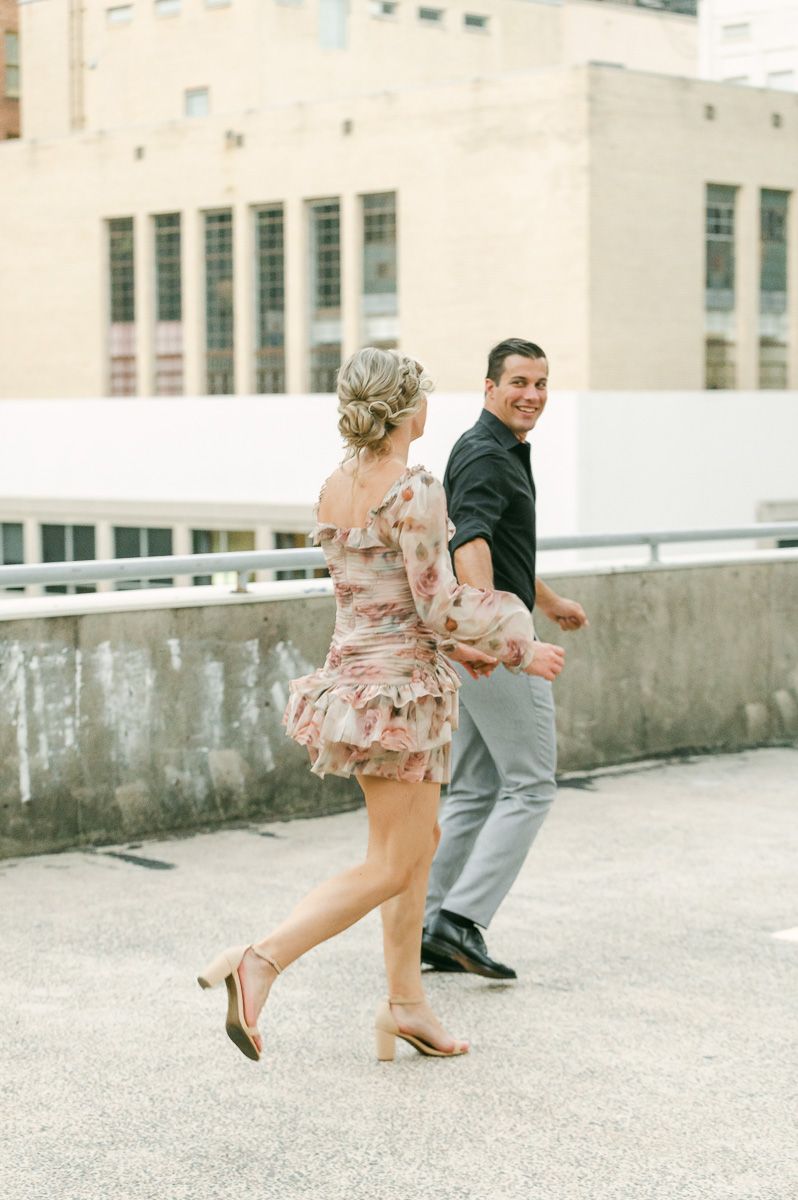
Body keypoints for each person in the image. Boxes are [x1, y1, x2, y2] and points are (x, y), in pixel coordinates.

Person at [197, 347, 565, 1064]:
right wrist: (520, 640)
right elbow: (439, 603)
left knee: (414, 850)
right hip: (401, 693)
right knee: (393, 864)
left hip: (360, 684)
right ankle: (261, 960)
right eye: (424, 395)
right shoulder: (415, 489)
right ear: (408, 410)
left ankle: (407, 1005)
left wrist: (467, 647)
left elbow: (387, 599)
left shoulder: (338, 484)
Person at [422, 338, 589, 980]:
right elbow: (472, 546)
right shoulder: (487, 454)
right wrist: (507, 642)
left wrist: (547, 600)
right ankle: (460, 921)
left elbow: (506, 546)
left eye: (541, 384)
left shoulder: (500, 450)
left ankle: (428, 925)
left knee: (475, 787)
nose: (532, 395)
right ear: (489, 387)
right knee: (531, 783)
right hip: (491, 646)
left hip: (481, 636)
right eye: (519, 382)